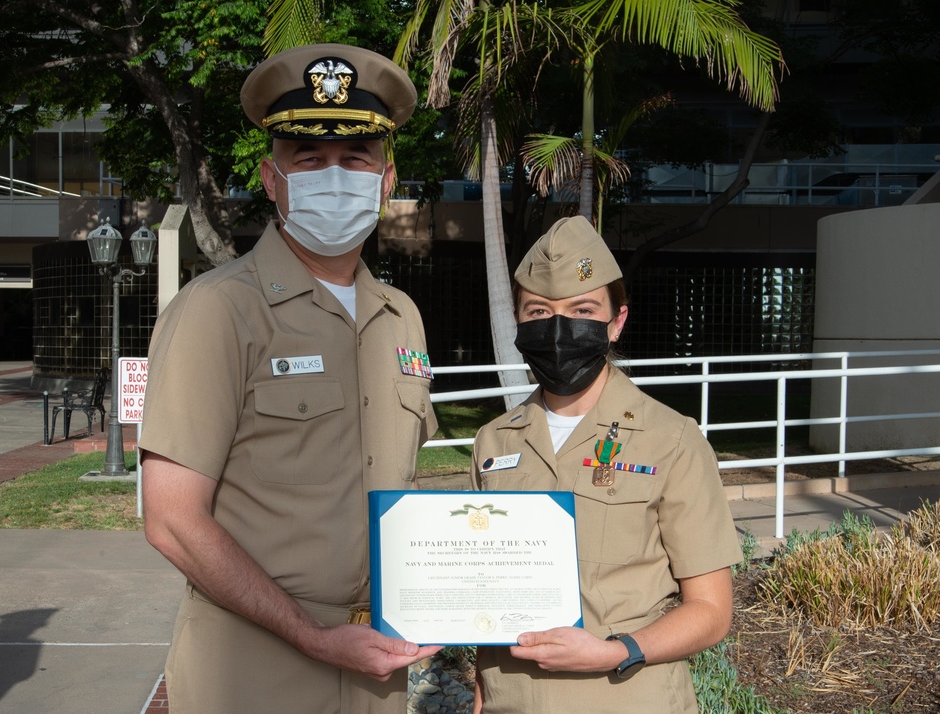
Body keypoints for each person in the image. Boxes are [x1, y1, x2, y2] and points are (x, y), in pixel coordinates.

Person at [140, 43, 442, 714]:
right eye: (308, 160)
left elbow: (400, 488)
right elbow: (171, 518)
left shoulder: (401, 318)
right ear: (272, 179)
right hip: (252, 668)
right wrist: (311, 636)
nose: (334, 176)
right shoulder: (218, 310)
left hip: (375, 664)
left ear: (386, 180)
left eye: (355, 160)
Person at [469, 216, 742, 713]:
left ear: (616, 321)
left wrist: (616, 651)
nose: (558, 328)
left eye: (581, 309)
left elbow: (711, 610)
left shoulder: (672, 440)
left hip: (626, 699)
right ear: (519, 323)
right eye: (538, 311)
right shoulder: (492, 440)